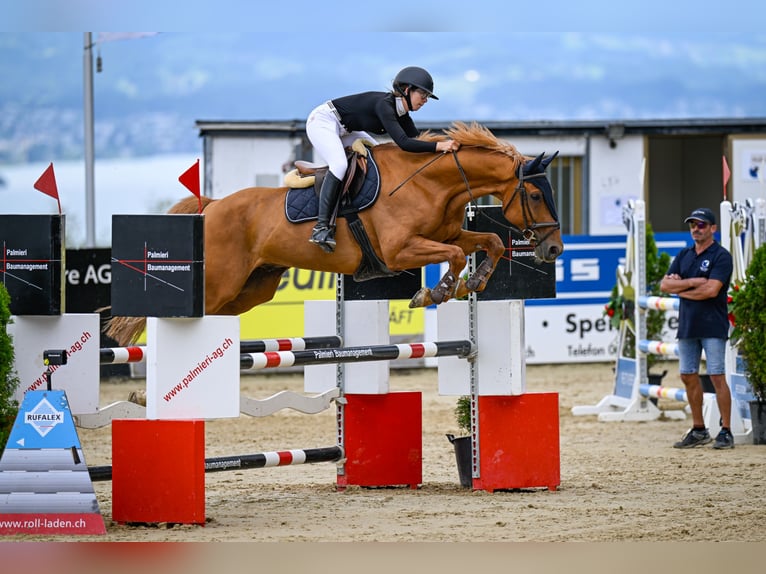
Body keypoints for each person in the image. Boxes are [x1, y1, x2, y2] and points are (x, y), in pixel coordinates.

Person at [305, 66, 460, 253]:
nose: (425, 100)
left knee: (377, 154)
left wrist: (447, 148)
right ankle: (321, 228)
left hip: (347, 129)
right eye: (423, 94)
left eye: (427, 97)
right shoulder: (385, 106)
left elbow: (418, 143)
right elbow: (404, 143)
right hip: (324, 121)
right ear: (407, 90)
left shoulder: (402, 114)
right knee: (339, 165)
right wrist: (439, 146)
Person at [660, 207, 734, 449]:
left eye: (701, 224)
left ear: (713, 228)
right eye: (692, 224)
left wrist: (682, 288)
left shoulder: (721, 256)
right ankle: (699, 428)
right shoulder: (684, 254)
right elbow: (664, 286)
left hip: (713, 325)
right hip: (688, 325)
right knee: (687, 375)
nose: (695, 228)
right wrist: (693, 283)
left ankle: (726, 430)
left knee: (716, 376)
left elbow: (711, 290)